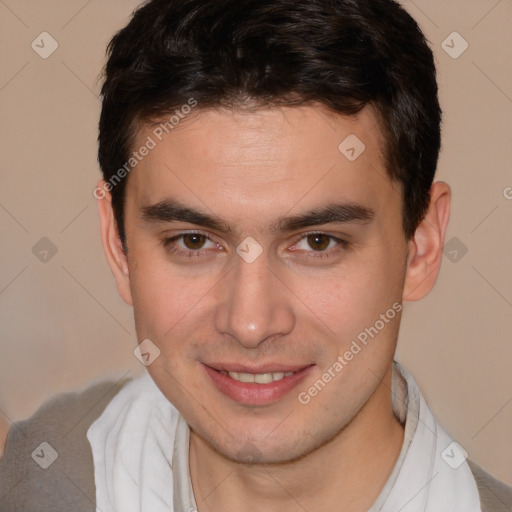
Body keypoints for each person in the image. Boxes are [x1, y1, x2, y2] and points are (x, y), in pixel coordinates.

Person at [0, 0, 510, 510]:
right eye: (194, 241)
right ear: (119, 246)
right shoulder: (32, 480)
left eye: (317, 242)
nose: (249, 323)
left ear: (420, 246)